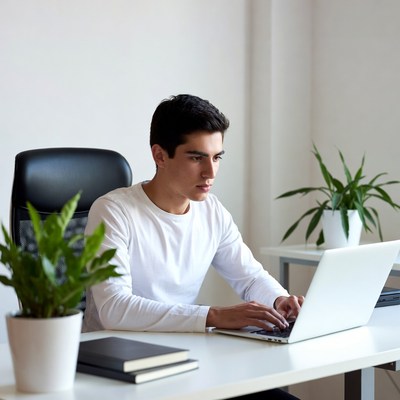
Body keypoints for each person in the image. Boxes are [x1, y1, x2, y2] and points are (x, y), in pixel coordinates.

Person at [83, 94, 304, 399]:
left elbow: (250, 277)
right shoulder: (113, 211)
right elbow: (115, 309)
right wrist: (212, 316)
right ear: (160, 156)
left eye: (217, 157)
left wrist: (279, 300)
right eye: (196, 157)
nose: (210, 173)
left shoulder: (211, 211)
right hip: (118, 374)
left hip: (185, 359)